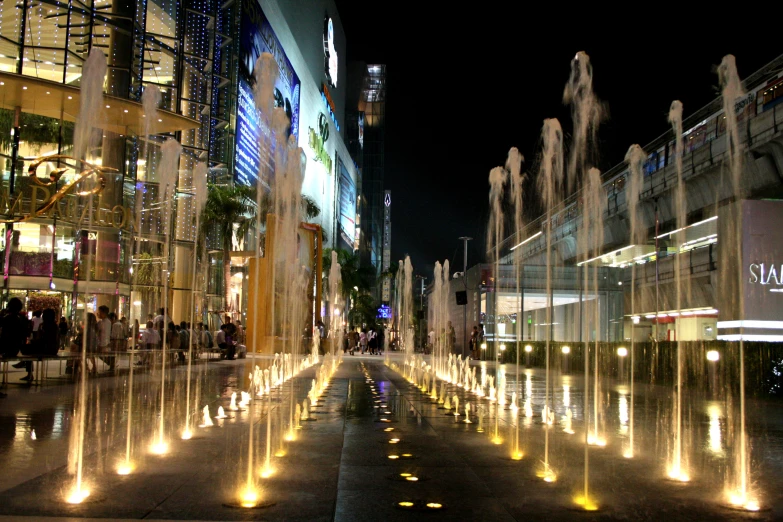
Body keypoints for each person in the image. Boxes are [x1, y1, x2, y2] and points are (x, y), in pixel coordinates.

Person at [21, 308, 59, 381]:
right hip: (51, 348)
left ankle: (27, 369)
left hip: (47, 348)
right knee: (28, 349)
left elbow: (44, 339)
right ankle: (26, 367)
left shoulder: (47, 326)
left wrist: (35, 341)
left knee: (26, 349)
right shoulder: (53, 325)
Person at [0, 298, 29, 391]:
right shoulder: (21, 319)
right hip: (15, 347)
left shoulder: (7, 318)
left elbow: (4, 336)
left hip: (7, 347)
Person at [96, 305, 114, 371]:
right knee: (103, 356)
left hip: (103, 344)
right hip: (105, 343)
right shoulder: (106, 322)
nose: (98, 314)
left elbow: (102, 333)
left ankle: (112, 364)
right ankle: (111, 364)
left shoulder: (103, 323)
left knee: (102, 355)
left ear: (103, 313)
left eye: (99, 312)